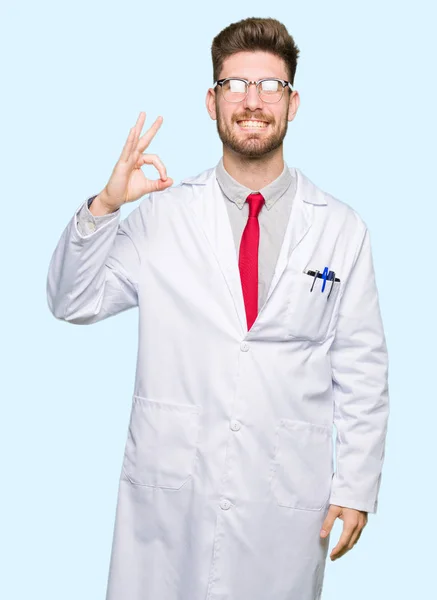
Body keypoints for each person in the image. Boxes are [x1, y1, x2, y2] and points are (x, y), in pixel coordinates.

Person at [46, 16, 390, 600]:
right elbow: (71, 300)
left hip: (282, 504)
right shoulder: (163, 216)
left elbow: (362, 367)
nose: (252, 101)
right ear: (212, 101)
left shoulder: (340, 229)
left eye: (270, 86)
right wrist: (106, 205)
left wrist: (355, 485)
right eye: (236, 84)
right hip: (170, 497)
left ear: (293, 102)